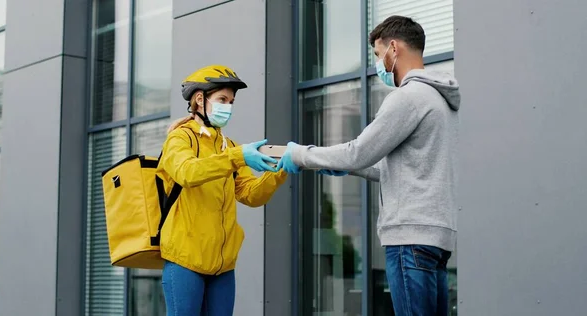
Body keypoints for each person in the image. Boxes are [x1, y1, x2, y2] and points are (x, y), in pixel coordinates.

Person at [278, 15, 461, 316]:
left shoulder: (407, 97)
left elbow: (358, 151)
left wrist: (300, 154)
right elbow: (394, 167)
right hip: (435, 239)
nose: (378, 64)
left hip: (408, 241)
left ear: (393, 48)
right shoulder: (440, 101)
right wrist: (349, 167)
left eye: (377, 55)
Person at [157, 64, 288, 316]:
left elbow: (251, 194)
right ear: (199, 99)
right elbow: (187, 172)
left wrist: (281, 170)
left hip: (223, 266)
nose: (228, 106)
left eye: (231, 101)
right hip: (185, 261)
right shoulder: (180, 139)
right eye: (222, 99)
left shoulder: (228, 146)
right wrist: (236, 157)